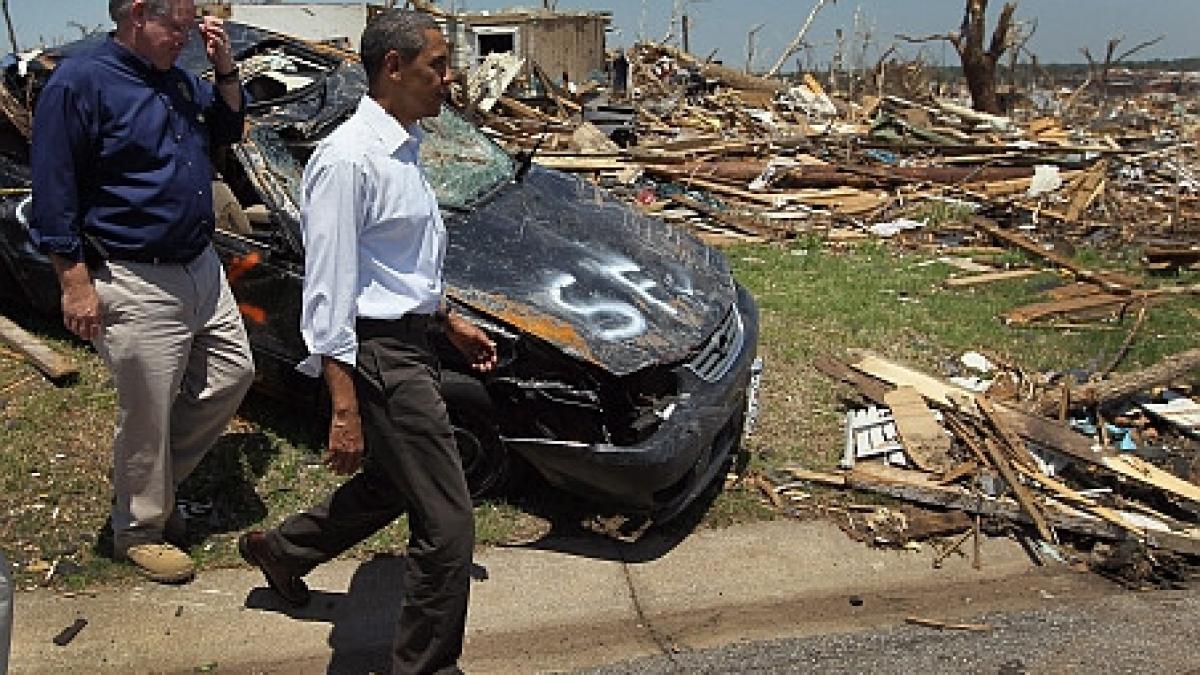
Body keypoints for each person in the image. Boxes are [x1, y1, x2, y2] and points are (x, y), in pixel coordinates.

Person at [237, 10, 497, 674]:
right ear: (393, 67)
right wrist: (344, 406)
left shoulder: (404, 147)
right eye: (437, 65)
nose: (449, 78)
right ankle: (425, 665)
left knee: (390, 482)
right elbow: (329, 291)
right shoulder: (347, 159)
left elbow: (394, 266)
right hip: (377, 354)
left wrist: (446, 316)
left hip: (410, 341)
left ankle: (285, 551)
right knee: (448, 528)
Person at [29, 0, 254, 584]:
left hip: (200, 266)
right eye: (176, 24)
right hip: (133, 274)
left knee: (233, 374)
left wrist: (224, 67)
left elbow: (229, 130)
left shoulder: (178, 80)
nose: (185, 36)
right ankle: (139, 528)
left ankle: (149, 484)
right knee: (148, 410)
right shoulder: (79, 83)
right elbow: (53, 189)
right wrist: (74, 284)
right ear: (135, 15)